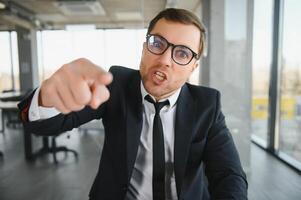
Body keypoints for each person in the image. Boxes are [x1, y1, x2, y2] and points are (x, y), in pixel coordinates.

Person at [18, 8, 248, 200]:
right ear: (144, 47)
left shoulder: (207, 104)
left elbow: (229, 175)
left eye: (182, 53)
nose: (165, 60)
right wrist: (48, 97)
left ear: (193, 67)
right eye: (157, 43)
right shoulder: (115, 84)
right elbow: (41, 126)